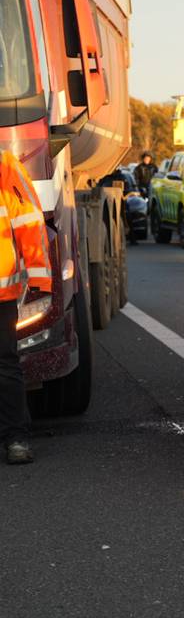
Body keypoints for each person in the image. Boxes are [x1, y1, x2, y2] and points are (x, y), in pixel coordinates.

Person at [0, 151, 53, 465]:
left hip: (1, 289)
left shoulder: (5, 166)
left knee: (4, 365)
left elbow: (29, 223)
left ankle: (15, 437)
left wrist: (39, 275)